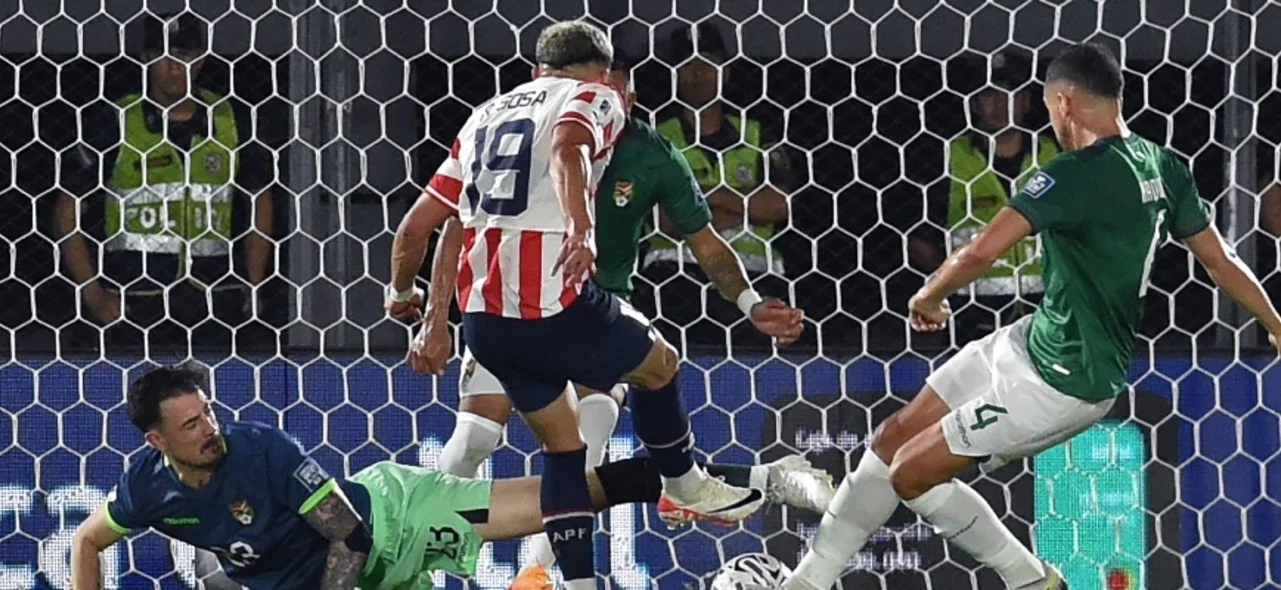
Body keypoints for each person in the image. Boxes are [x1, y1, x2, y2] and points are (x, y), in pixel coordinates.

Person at [783, 43, 1281, 590]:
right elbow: (1220, 260)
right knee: (891, 436)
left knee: (909, 473)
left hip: (1062, 383)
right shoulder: (1164, 165)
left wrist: (928, 296)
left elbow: (979, 252)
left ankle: (1031, 580)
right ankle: (807, 583)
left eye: (1046, 107)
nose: (1050, 118)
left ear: (1064, 102)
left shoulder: (1072, 174)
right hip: (1030, 339)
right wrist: (1276, 322)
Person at [406, 56, 815, 585]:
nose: (595, 103)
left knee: (587, 433)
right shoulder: (527, 141)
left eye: (610, 95)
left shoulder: (650, 154)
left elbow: (708, 245)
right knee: (473, 441)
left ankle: (538, 575)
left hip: (590, 309)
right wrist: (436, 319)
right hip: (507, 300)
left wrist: (750, 302)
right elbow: (455, 228)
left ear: (629, 102)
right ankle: (409, 540)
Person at [68, 366, 808, 590]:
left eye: (209, 412)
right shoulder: (147, 491)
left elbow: (348, 539)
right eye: (192, 424)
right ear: (155, 440)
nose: (210, 428)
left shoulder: (258, 449)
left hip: (395, 520)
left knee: (570, 495)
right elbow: (87, 542)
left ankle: (745, 477)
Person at [53, 12, 275, 356]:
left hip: (214, 301)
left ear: (201, 58)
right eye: (162, 53)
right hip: (135, 303)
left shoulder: (230, 120)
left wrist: (253, 283)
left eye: (184, 53)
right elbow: (67, 211)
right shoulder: (115, 121)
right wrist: (94, 294)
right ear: (145, 59)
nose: (173, 66)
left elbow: (261, 198)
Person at [640, 23, 796, 348]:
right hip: (675, 270)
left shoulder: (758, 132)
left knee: (777, 324)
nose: (698, 72)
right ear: (673, 74)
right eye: (687, 64)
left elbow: (778, 205)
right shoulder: (653, 137)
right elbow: (661, 221)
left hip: (756, 269)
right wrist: (744, 207)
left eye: (708, 61)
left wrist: (697, 195)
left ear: (726, 72)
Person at [914, 52, 1059, 344]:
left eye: (1011, 93)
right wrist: (952, 280)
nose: (1001, 103)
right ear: (975, 103)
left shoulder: (1053, 156)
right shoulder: (949, 159)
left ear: (1027, 101)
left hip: (1048, 309)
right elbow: (919, 243)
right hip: (972, 317)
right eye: (990, 93)